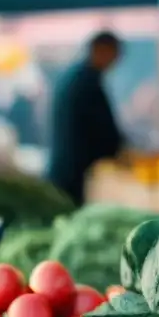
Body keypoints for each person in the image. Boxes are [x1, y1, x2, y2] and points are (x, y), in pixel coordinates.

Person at [46, 31, 124, 204]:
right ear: (102, 50)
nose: (116, 61)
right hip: (73, 171)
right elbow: (101, 129)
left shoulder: (76, 76)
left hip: (66, 168)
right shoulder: (86, 82)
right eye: (115, 54)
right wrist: (119, 151)